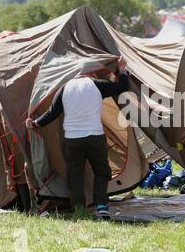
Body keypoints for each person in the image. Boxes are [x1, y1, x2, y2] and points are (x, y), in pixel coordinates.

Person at [26, 56, 130, 218]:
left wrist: (34, 124)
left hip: (72, 139)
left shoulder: (63, 89)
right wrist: (122, 68)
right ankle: (101, 205)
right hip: (95, 137)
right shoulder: (96, 85)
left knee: (75, 175)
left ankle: (79, 208)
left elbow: (51, 114)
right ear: (89, 73)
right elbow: (122, 86)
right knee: (101, 171)